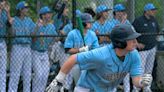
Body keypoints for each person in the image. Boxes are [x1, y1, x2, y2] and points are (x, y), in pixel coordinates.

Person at [46, 24, 153, 92]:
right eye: (131, 39)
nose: (135, 42)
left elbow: (136, 81)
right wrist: (59, 80)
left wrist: (142, 83)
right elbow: (73, 58)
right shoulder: (101, 54)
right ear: (120, 43)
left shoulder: (134, 55)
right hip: (87, 89)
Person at [8, 1, 35, 92]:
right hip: (17, 47)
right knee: (15, 74)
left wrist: (38, 27)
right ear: (20, 9)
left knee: (27, 74)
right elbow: (12, 35)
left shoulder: (29, 20)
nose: (27, 9)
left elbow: (33, 34)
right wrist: (11, 25)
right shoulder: (14, 20)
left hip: (27, 47)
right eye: (25, 8)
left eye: (27, 8)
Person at [132, 3, 159, 92]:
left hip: (152, 48)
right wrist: (137, 43)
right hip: (142, 50)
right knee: (140, 69)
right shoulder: (138, 20)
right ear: (146, 11)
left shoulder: (154, 20)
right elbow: (132, 33)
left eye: (154, 10)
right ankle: (136, 88)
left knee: (149, 69)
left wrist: (154, 41)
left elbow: (157, 32)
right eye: (152, 10)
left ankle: (146, 87)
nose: (154, 12)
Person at [31, 6, 58, 92]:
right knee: (38, 74)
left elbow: (55, 38)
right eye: (47, 14)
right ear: (42, 16)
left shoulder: (51, 26)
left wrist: (50, 44)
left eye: (50, 13)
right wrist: (37, 28)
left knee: (45, 75)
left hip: (45, 52)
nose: (49, 15)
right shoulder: (37, 25)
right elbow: (33, 39)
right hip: (35, 52)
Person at [110, 3, 131, 92]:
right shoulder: (111, 22)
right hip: (115, 50)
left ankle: (127, 90)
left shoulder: (127, 22)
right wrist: (123, 22)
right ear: (116, 12)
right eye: (120, 11)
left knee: (126, 72)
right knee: (113, 72)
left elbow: (131, 32)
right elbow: (116, 32)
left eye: (123, 11)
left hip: (125, 49)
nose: (122, 13)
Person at [0, 0, 11, 91]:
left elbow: (10, 23)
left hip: (2, 42)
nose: (3, 4)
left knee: (3, 69)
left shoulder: (4, 13)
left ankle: (2, 89)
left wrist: (8, 12)